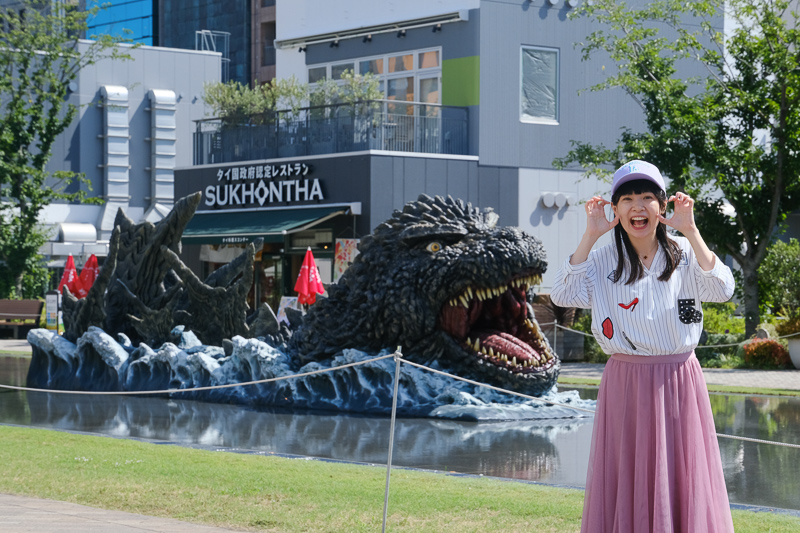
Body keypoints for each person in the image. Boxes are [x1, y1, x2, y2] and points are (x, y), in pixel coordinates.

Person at [551, 160, 735, 533]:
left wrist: (692, 230)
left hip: (680, 378)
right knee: (627, 474)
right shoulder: (602, 259)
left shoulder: (683, 253)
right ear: (615, 209)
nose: (638, 206)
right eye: (628, 198)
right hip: (626, 380)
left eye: (647, 197)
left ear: (662, 207)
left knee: (684, 473)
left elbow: (722, 289)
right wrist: (590, 235)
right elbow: (563, 293)